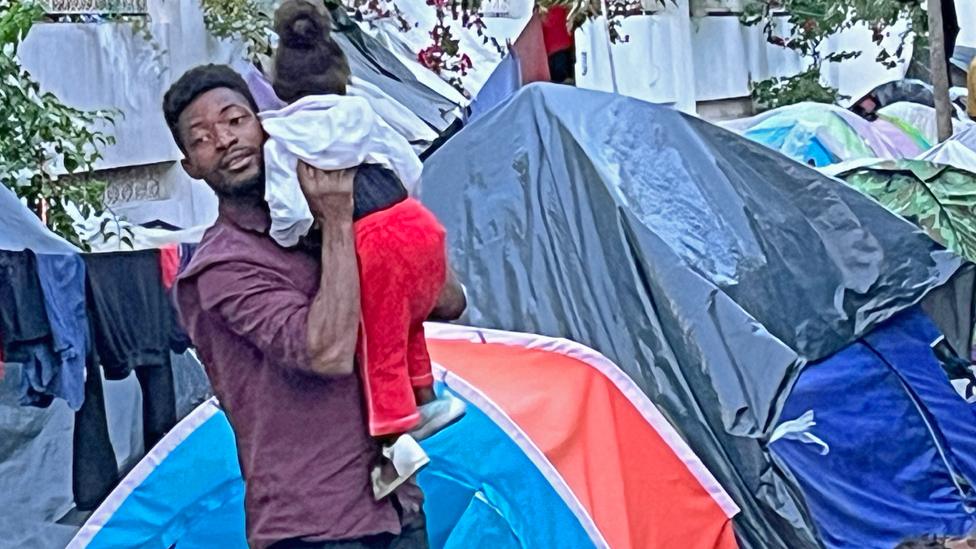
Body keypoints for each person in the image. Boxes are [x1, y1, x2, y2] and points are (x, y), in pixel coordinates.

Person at [164, 64, 464, 548]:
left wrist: (390, 217)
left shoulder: (309, 215)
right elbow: (326, 353)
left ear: (266, 125)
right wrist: (339, 221)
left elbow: (449, 302)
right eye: (201, 138)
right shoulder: (222, 267)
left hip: (397, 505)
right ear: (191, 167)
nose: (224, 140)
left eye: (235, 120)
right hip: (313, 523)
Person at [266, 0, 466, 498]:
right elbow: (410, 167)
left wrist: (293, 237)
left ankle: (397, 428)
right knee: (405, 321)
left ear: (279, 85)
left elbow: (288, 211)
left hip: (371, 241)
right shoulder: (363, 112)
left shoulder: (280, 135)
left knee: (377, 337)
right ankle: (426, 394)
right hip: (416, 225)